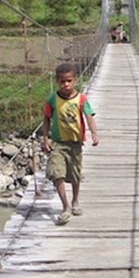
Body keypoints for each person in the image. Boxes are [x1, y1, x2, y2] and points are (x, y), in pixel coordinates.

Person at [42, 62, 100, 225]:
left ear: (75, 81)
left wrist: (94, 133)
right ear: (57, 81)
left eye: (69, 81)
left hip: (75, 143)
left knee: (75, 175)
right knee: (56, 172)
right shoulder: (52, 99)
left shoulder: (81, 99)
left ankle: (75, 201)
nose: (66, 84)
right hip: (58, 143)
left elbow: (89, 116)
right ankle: (65, 206)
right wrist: (45, 138)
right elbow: (46, 119)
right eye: (62, 81)